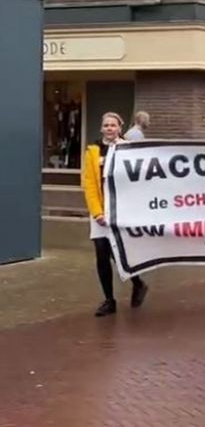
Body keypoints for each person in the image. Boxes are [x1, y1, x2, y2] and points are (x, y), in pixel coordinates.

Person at [82, 112, 148, 317]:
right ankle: (109, 300)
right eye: (106, 125)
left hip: (122, 212)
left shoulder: (129, 150)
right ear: (101, 128)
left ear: (120, 128)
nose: (109, 128)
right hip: (101, 213)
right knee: (102, 254)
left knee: (119, 254)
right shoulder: (92, 151)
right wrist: (97, 213)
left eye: (113, 125)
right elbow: (90, 185)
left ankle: (138, 283)